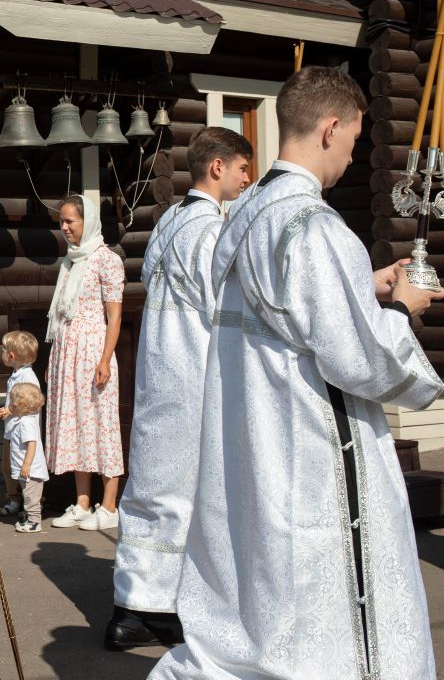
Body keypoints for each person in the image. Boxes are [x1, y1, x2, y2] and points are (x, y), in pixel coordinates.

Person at [151, 67, 444, 679]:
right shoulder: (314, 225)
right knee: (318, 609)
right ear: (331, 128)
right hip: (308, 442)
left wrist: (364, 286)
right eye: (355, 141)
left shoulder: (244, 215)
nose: (351, 156)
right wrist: (399, 308)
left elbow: (280, 310)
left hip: (252, 436)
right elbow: (357, 358)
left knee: (262, 602)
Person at [105, 127, 253, 651]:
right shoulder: (211, 229)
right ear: (217, 167)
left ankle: (137, 605)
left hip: (157, 371)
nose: (246, 179)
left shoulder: (167, 221)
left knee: (150, 488)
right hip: (193, 372)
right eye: (241, 168)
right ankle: (167, 607)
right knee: (190, 492)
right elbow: (224, 305)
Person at [44, 193, 125, 531]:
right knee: (78, 425)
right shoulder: (71, 261)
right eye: (62, 222)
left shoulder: (106, 260)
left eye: (70, 222)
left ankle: (109, 506)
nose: (64, 228)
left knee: (101, 424)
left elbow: (115, 314)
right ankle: (82, 502)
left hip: (94, 351)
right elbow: (61, 315)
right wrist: (53, 361)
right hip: (68, 352)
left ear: (86, 222)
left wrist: (105, 359)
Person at [0, 330, 40, 518]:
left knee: (24, 468)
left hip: (23, 433)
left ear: (11, 356)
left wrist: (11, 410)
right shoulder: (16, 374)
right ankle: (14, 500)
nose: (2, 352)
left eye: (3, 349)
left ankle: (30, 505)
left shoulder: (27, 377)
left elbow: (33, 401)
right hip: (11, 431)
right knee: (8, 466)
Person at [8, 382, 49, 535]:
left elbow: (32, 444)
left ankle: (35, 522)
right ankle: (30, 517)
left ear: (19, 405)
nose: (10, 404)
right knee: (28, 495)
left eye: (12, 401)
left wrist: (26, 465)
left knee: (32, 497)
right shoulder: (25, 420)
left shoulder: (26, 423)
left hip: (32, 470)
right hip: (29, 470)